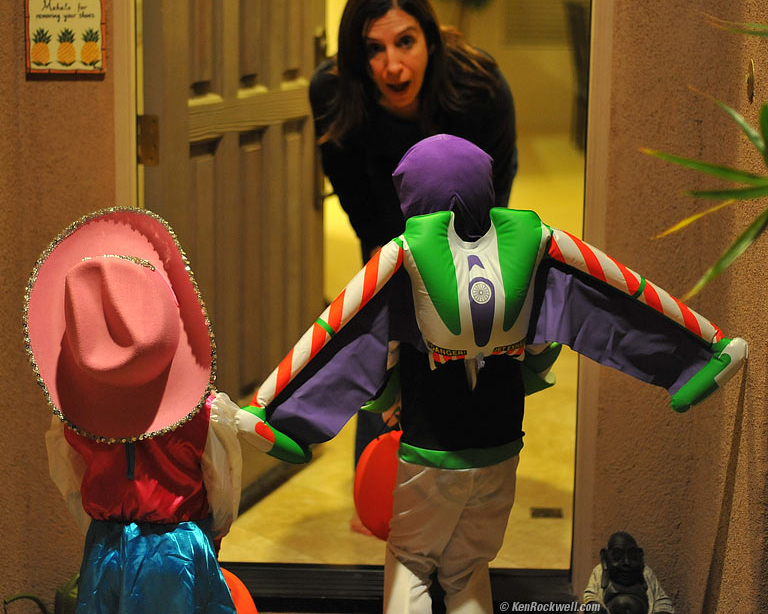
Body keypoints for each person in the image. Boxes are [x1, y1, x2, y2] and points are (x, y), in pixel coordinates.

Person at [236, 135, 745, 614]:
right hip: (502, 447)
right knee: (468, 567)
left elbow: (345, 336)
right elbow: (616, 298)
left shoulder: (406, 259)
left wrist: (274, 414)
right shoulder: (535, 248)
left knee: (412, 561)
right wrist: (704, 354)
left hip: (430, 452)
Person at [309, 0, 518, 478]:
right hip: (385, 231)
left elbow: (492, 205)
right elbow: (362, 214)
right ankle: (378, 470)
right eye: (374, 49)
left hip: (470, 234)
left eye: (406, 42)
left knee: (468, 335)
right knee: (384, 332)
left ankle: (464, 462)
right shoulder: (334, 94)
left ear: (429, 35)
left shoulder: (478, 87)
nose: (393, 65)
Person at [24, 207, 242, 614]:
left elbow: (70, 481)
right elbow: (222, 494)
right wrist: (212, 535)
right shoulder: (206, 413)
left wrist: (104, 525)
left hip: (106, 546)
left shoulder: (71, 416)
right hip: (177, 550)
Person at [583, 531, 675, 613]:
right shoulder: (600, 572)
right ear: (605, 558)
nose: (626, 562)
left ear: (639, 556)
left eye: (632, 555)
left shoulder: (646, 573)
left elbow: (662, 602)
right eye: (618, 556)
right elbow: (590, 597)